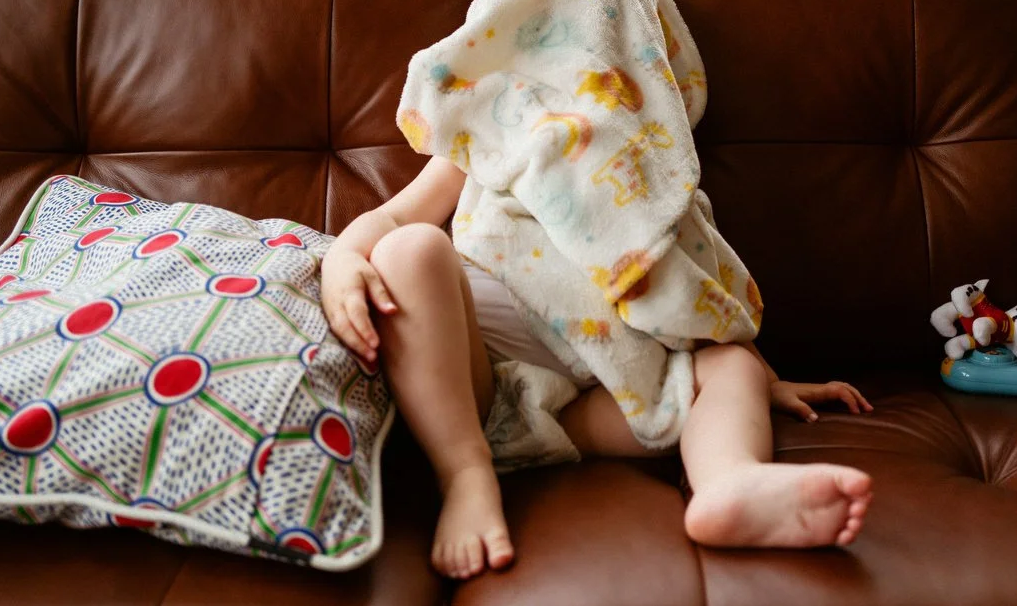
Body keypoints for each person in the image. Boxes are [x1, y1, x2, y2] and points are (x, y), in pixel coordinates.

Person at [319, 154, 874, 580]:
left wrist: (766, 379)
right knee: (408, 250)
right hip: (477, 383)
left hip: (590, 403)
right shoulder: (480, 140)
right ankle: (465, 474)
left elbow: (700, 295)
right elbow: (392, 215)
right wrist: (343, 258)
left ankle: (728, 480)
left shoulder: (652, 174)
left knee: (729, 365)